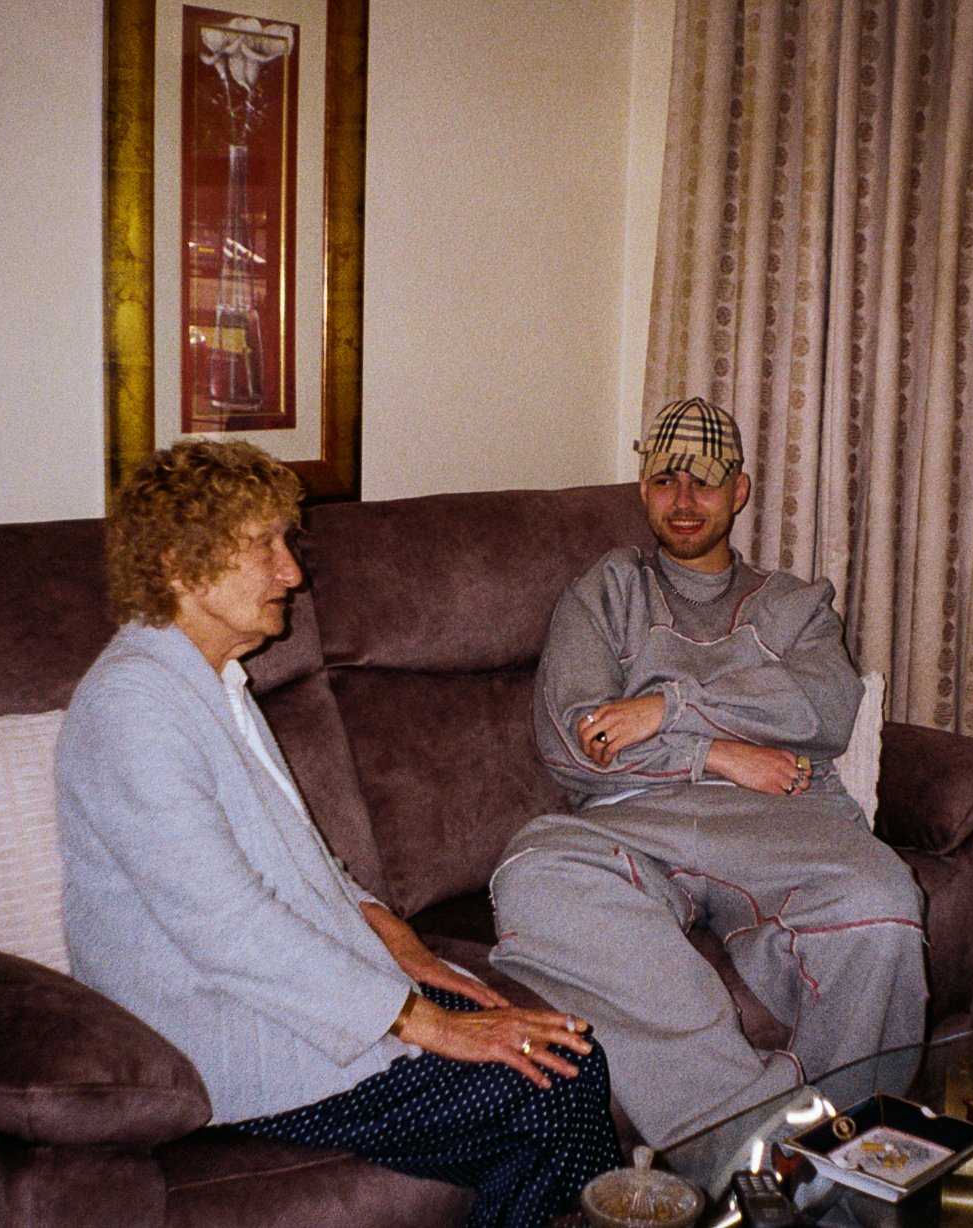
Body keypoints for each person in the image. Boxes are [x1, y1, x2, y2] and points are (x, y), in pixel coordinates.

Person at [57, 440, 621, 1228]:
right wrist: (427, 1023)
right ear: (183, 569)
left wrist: (410, 953)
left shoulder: (209, 681)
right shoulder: (134, 712)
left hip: (293, 993)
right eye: (265, 547)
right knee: (558, 1080)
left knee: (555, 1049)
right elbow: (229, 928)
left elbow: (304, 864)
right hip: (221, 1032)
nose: (293, 572)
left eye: (287, 544)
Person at [489, 397, 927, 1147]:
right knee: (534, 871)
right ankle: (761, 1141)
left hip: (780, 818)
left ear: (740, 491)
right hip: (634, 816)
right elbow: (573, 741)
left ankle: (825, 1139)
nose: (684, 501)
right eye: (664, 481)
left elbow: (824, 708)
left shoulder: (795, 606)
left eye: (705, 481)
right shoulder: (606, 591)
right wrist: (717, 752)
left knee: (883, 905)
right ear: (641, 489)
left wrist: (667, 706)